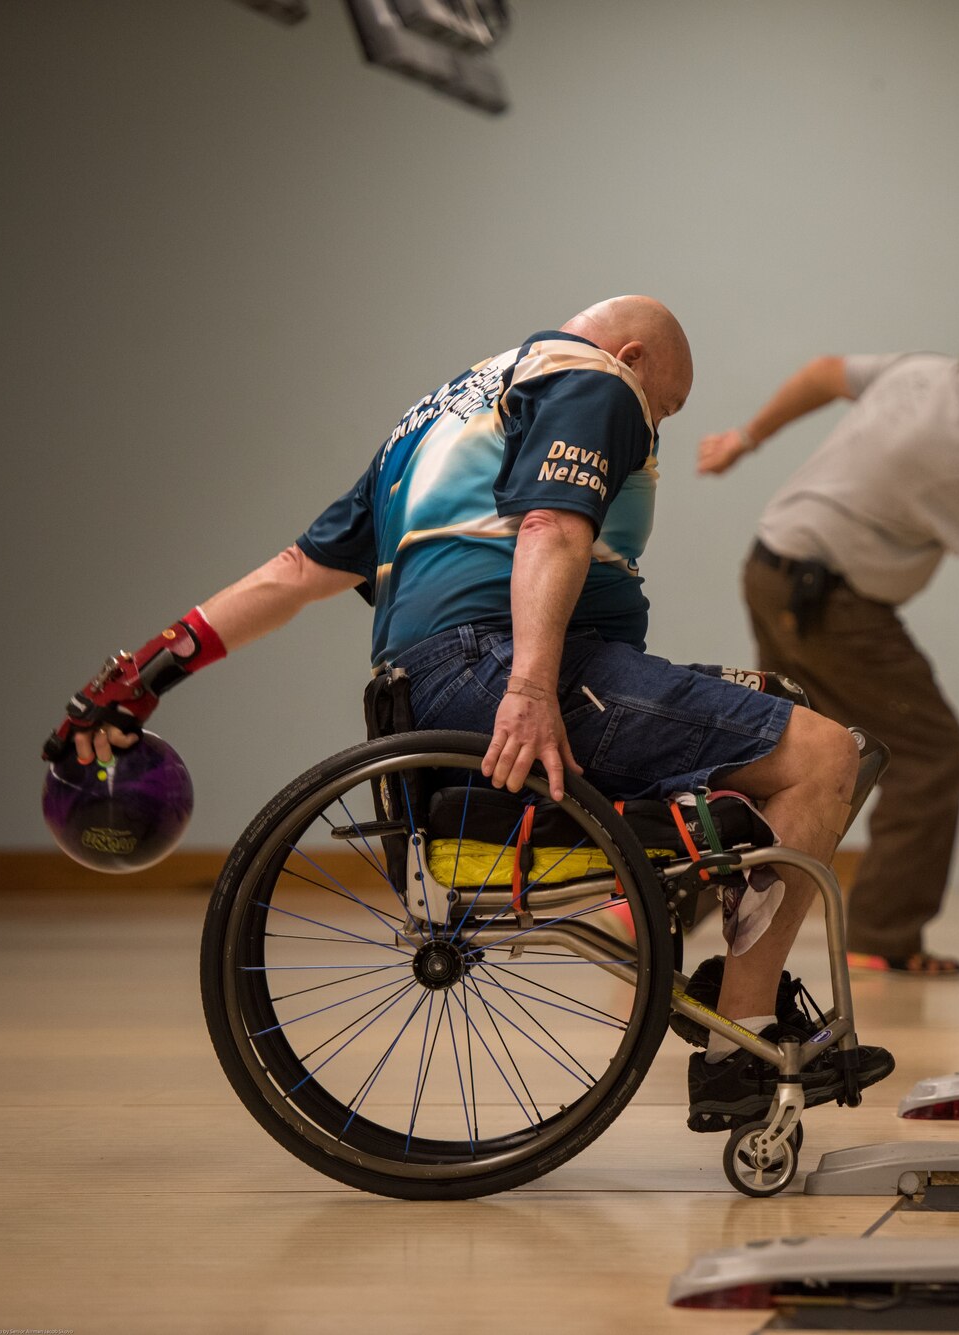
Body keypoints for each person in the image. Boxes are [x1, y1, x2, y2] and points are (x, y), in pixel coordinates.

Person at [45, 295, 892, 1130]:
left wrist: (140, 678)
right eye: (665, 407)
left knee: (779, 707)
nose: (655, 430)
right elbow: (553, 528)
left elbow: (291, 573)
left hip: (426, 682)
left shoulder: (438, 418)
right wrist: (528, 688)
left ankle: (729, 966)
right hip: (506, 665)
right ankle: (738, 1046)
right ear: (633, 358)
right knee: (823, 755)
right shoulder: (595, 381)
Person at [695, 297, 959, 977]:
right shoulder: (955, 452)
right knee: (932, 751)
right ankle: (882, 933)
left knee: (780, 757)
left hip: (774, 568)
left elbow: (823, 373)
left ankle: (660, 901)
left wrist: (746, 437)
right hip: (825, 600)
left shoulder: (921, 373)